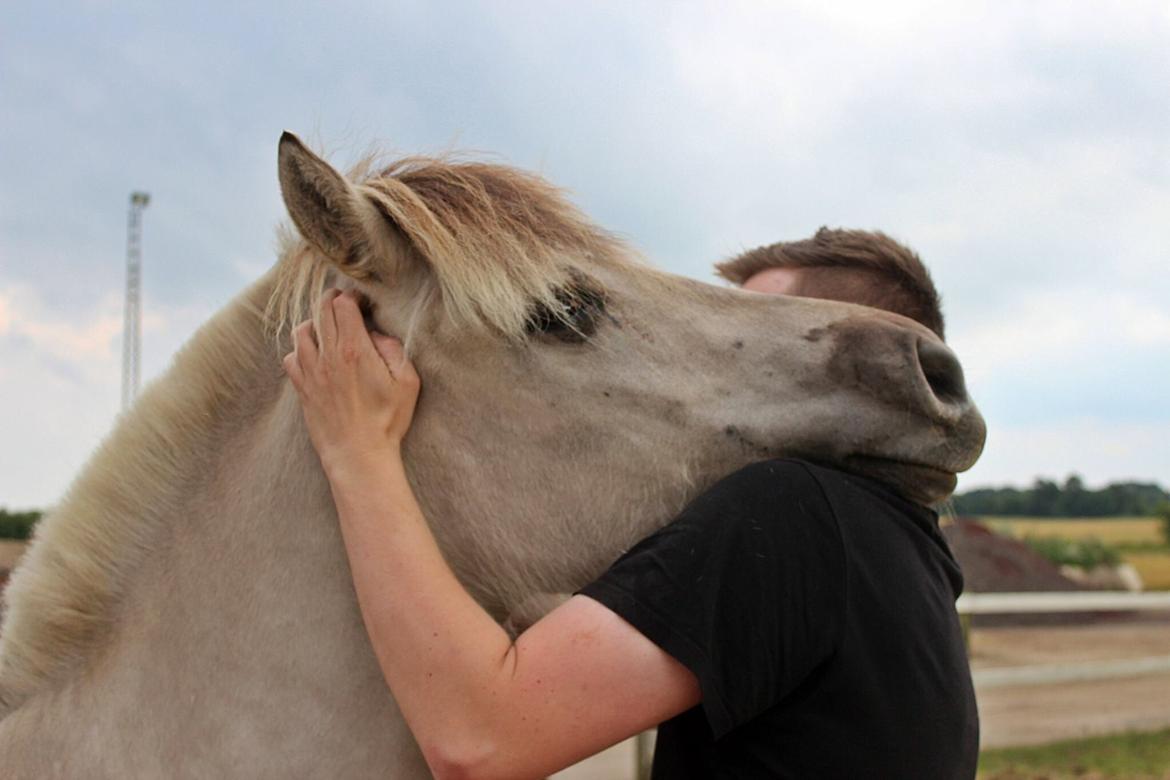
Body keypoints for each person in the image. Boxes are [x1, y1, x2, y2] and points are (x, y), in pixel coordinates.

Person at [282, 228, 977, 779]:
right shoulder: (908, 553)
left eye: (754, 327)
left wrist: (359, 452)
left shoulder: (791, 514)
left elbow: (480, 741)